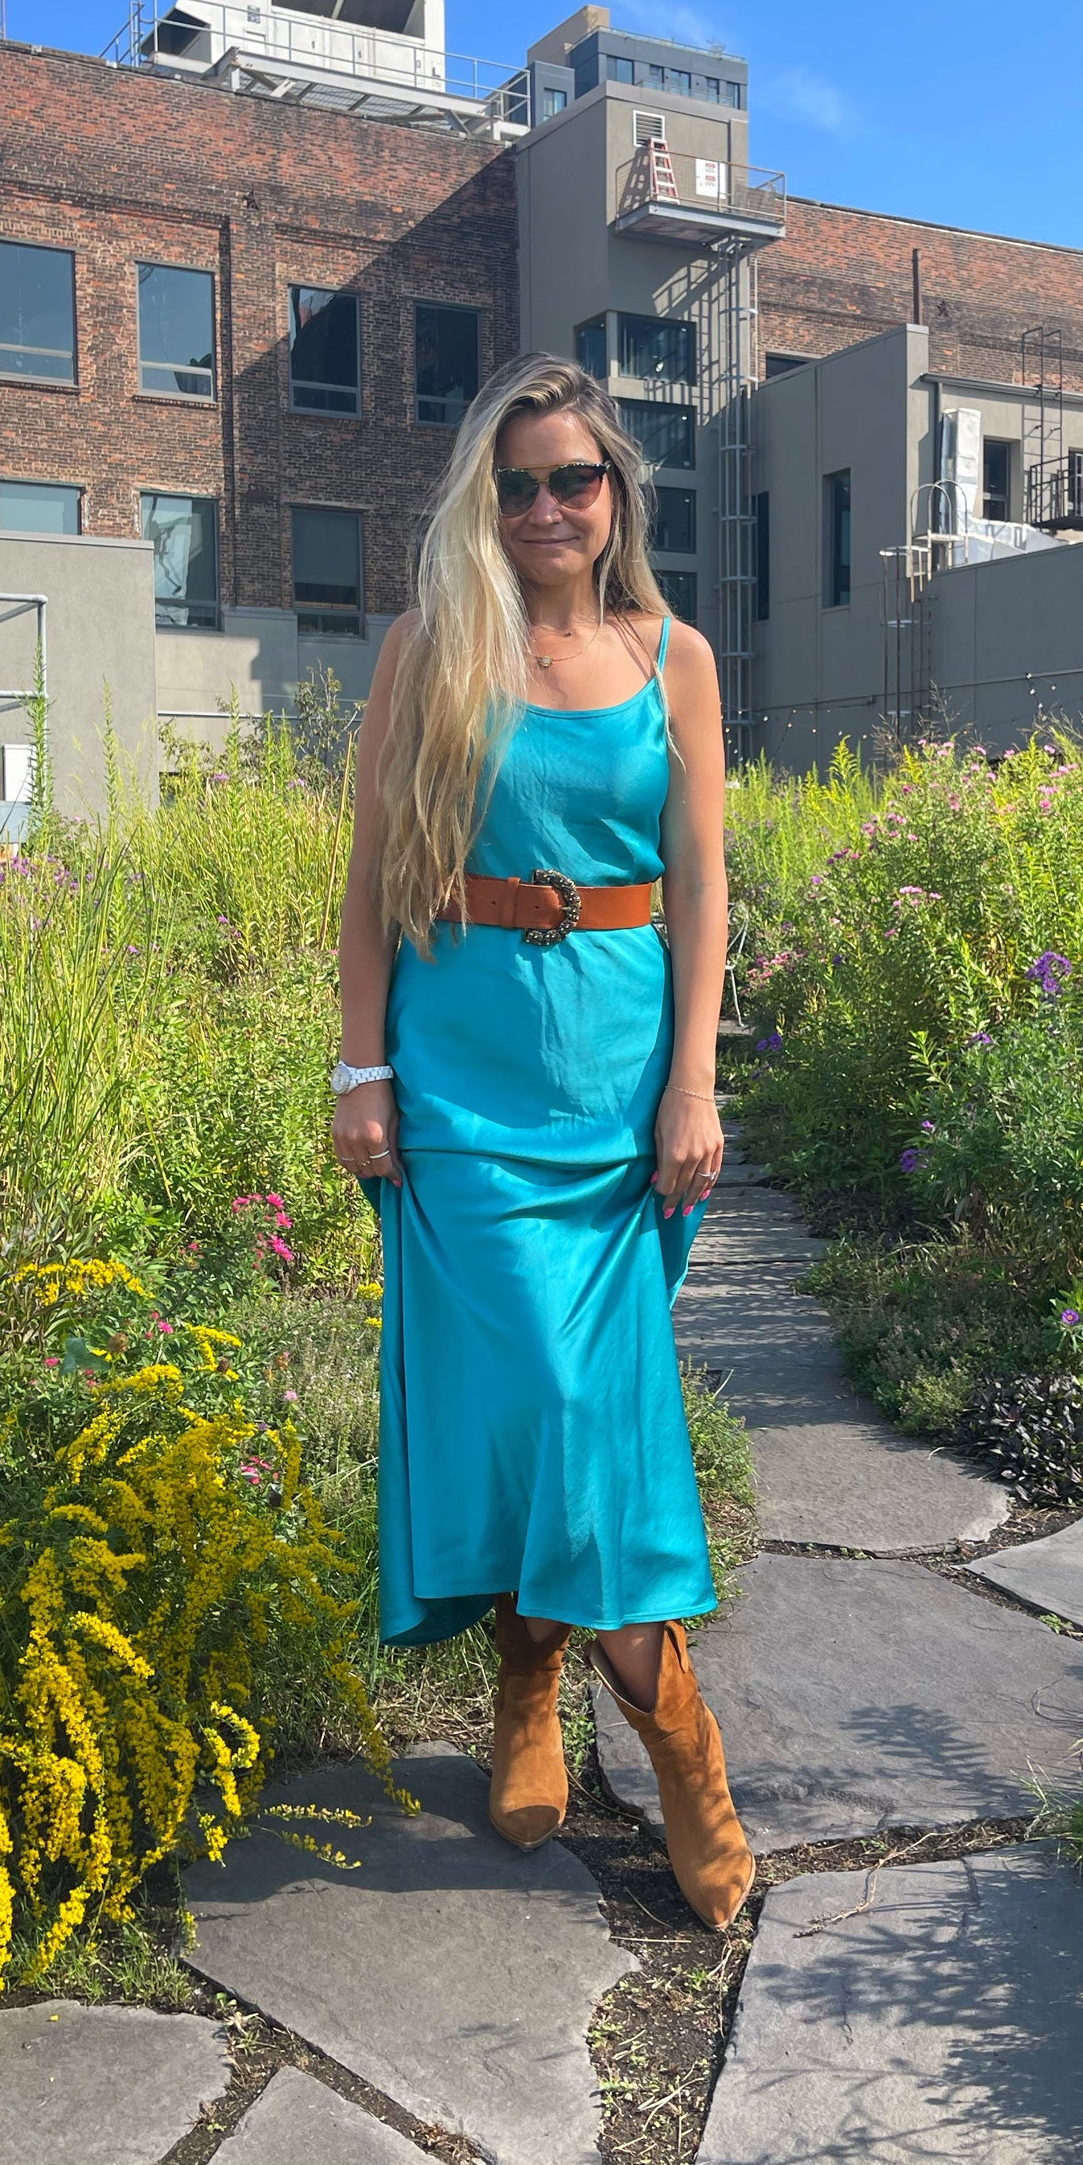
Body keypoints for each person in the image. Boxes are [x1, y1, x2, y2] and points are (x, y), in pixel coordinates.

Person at [330, 351, 753, 1931]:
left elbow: (703, 882)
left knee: (582, 1415)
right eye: (516, 485)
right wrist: (359, 1069)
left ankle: (564, 1693)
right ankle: (654, 1740)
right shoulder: (430, 649)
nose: (547, 506)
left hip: (623, 1091)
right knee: (548, 1409)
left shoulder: (675, 659)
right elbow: (374, 877)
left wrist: (694, 1084)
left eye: (574, 477)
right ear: (481, 505)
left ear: (616, 491)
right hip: (466, 1088)